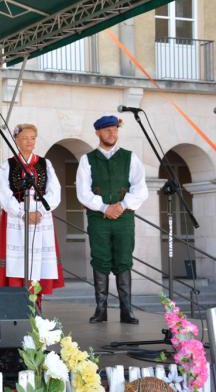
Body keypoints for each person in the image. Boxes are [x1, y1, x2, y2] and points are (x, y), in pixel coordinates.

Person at [76, 115, 148, 324]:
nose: (112, 133)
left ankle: (127, 310)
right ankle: (101, 310)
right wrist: (104, 207)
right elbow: (82, 191)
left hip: (124, 218)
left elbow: (140, 188)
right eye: (107, 129)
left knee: (124, 258)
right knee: (100, 258)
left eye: (114, 129)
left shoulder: (130, 157)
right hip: (98, 218)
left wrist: (122, 205)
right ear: (97, 132)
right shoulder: (87, 159)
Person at [0, 124, 63, 308]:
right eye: (25, 138)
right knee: (17, 263)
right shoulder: (7, 165)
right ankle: (18, 304)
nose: (29, 142)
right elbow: (2, 192)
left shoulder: (44, 164)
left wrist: (39, 211)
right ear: (16, 140)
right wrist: (22, 212)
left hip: (41, 217)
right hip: (16, 217)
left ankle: (36, 304)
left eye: (33, 138)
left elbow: (54, 191)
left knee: (37, 262)